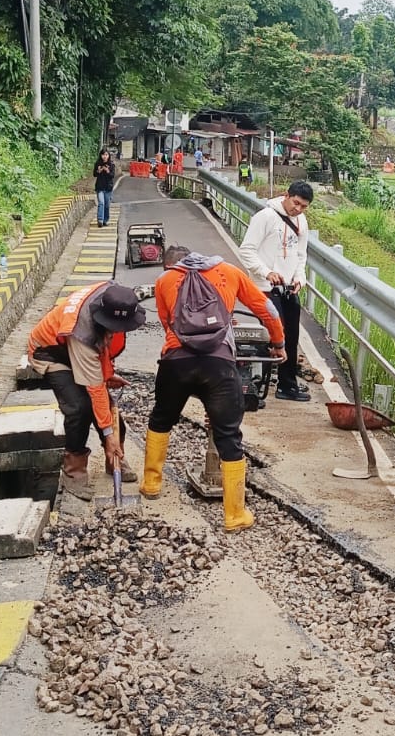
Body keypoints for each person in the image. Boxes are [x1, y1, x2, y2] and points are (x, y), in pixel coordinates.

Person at [141, 246, 285, 530]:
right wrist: (278, 341)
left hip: (176, 361)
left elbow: (167, 321)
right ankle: (234, 515)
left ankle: (151, 483)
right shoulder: (229, 272)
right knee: (228, 434)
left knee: (161, 419)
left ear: (174, 264)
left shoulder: (165, 280)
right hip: (218, 363)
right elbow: (266, 309)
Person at [26, 281, 145, 480]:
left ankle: (115, 458)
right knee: (79, 408)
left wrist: (107, 375)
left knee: (110, 414)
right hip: (52, 352)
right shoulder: (82, 330)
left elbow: (103, 349)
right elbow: (95, 389)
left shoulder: (114, 298)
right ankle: (75, 469)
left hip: (77, 349)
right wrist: (109, 435)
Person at [239, 180, 313, 402]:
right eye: (296, 203)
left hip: (289, 287)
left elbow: (301, 255)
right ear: (286, 196)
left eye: (303, 206)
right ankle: (256, 388)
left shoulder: (301, 221)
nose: (297, 209)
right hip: (265, 287)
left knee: (290, 338)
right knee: (272, 337)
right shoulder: (266, 217)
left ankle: (287, 385)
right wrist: (266, 272)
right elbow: (247, 251)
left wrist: (300, 278)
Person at [93, 149, 115, 228]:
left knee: (106, 205)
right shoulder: (98, 164)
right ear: (101, 155)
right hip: (100, 187)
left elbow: (112, 175)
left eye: (106, 155)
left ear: (108, 156)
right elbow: (94, 174)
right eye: (103, 155)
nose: (104, 156)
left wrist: (108, 171)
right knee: (101, 203)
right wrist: (99, 171)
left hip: (108, 187)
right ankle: (100, 220)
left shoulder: (111, 164)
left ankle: (105, 220)